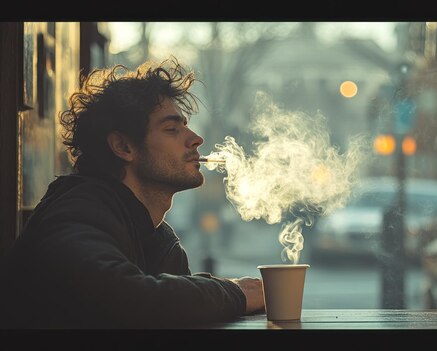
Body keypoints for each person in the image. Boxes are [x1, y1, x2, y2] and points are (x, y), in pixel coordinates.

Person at [0, 57, 265, 328]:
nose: (196, 138)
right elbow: (130, 299)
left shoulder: (159, 241)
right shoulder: (77, 212)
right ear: (123, 147)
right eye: (172, 129)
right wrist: (236, 292)